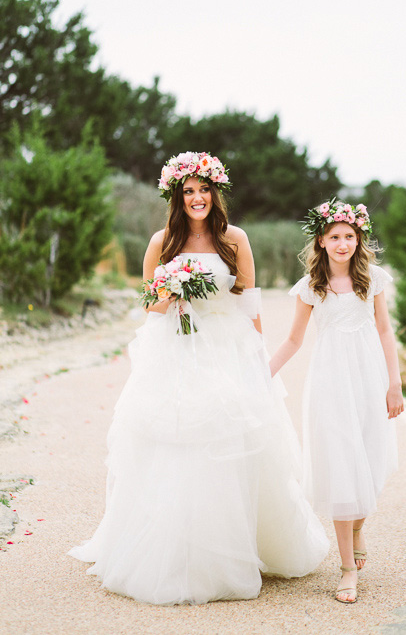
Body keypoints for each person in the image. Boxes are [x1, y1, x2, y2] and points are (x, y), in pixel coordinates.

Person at [69, 152, 328, 606]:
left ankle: (239, 546)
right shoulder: (161, 241)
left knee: (232, 439)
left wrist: (257, 363)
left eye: (203, 189)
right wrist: (175, 287)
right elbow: (150, 307)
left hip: (226, 348)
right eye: (188, 191)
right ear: (176, 196)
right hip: (176, 347)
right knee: (174, 441)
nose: (196, 198)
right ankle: (173, 553)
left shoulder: (236, 239)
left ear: (215, 192)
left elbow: (249, 304)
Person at [269, 199, 404, 604]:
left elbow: (384, 333)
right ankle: (347, 569)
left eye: (349, 236)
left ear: (358, 238)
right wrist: (262, 372)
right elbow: (294, 339)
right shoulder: (310, 286)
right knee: (343, 465)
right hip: (330, 382)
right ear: (321, 241)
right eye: (334, 237)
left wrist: (394, 383)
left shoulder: (372, 278)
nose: (342, 243)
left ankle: (358, 525)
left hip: (368, 379)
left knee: (372, 461)